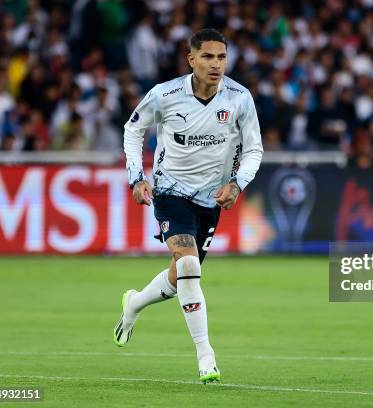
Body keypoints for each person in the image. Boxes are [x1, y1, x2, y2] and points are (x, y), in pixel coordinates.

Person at [115, 28, 263, 384]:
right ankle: (205, 355)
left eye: (221, 57)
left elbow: (255, 148)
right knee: (190, 264)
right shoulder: (164, 95)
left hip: (211, 199)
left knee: (180, 275)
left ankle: (134, 303)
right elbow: (133, 130)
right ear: (191, 59)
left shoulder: (239, 99)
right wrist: (136, 177)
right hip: (169, 192)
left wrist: (237, 183)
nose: (216, 64)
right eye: (208, 57)